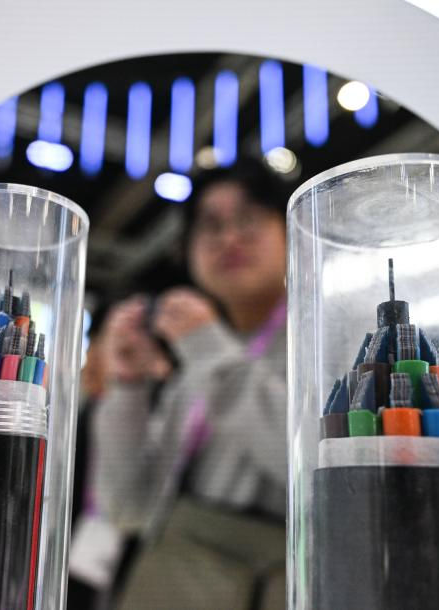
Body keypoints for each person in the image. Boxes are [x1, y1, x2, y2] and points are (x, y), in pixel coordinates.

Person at [92, 160, 292, 610]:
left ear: (290, 232)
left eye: (249, 219)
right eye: (210, 225)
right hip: (167, 580)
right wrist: (129, 387)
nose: (229, 238)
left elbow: (316, 470)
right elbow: (128, 507)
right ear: (187, 251)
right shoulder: (195, 364)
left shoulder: (322, 343)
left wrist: (206, 348)